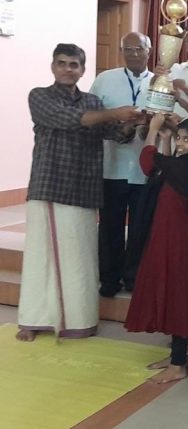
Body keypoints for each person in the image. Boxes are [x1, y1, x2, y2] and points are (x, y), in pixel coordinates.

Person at [16, 43, 143, 342]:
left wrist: (134, 122)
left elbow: (116, 135)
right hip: (50, 186)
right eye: (62, 63)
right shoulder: (40, 96)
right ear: (53, 66)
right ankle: (33, 320)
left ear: (83, 70)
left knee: (80, 259)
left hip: (85, 188)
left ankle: (78, 320)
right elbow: (74, 119)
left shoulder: (92, 101)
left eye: (74, 64)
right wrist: (115, 112)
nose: (67, 69)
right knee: (41, 256)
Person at [124, 114, 188, 383]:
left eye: (187, 139)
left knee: (178, 295)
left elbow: (147, 163)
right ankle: (179, 353)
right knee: (172, 291)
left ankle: (178, 363)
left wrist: (153, 130)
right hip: (170, 235)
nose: (181, 144)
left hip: (180, 239)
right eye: (179, 138)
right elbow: (160, 172)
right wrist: (166, 140)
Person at [89, 32, 154, 297]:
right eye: (128, 49)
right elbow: (92, 117)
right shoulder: (105, 80)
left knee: (140, 226)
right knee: (110, 225)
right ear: (121, 52)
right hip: (111, 165)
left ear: (149, 51)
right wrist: (119, 122)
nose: (134, 54)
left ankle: (134, 276)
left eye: (139, 49)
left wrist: (148, 125)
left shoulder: (159, 83)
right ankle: (109, 278)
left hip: (144, 168)